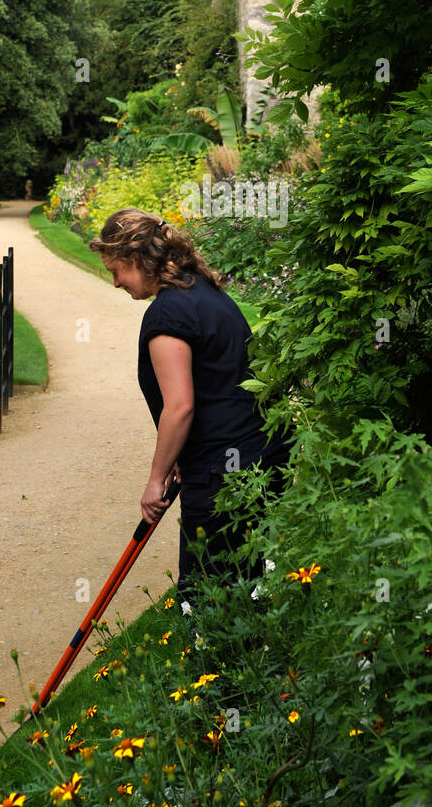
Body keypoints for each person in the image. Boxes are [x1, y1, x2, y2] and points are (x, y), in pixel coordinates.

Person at [88, 207, 292, 595]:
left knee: (209, 598)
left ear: (134, 260)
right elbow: (217, 381)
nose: (115, 283)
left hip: (224, 474)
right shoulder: (200, 288)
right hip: (263, 456)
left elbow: (180, 406)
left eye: (116, 271)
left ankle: (221, 654)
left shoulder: (168, 315)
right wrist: (183, 457)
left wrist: (154, 479)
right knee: (257, 585)